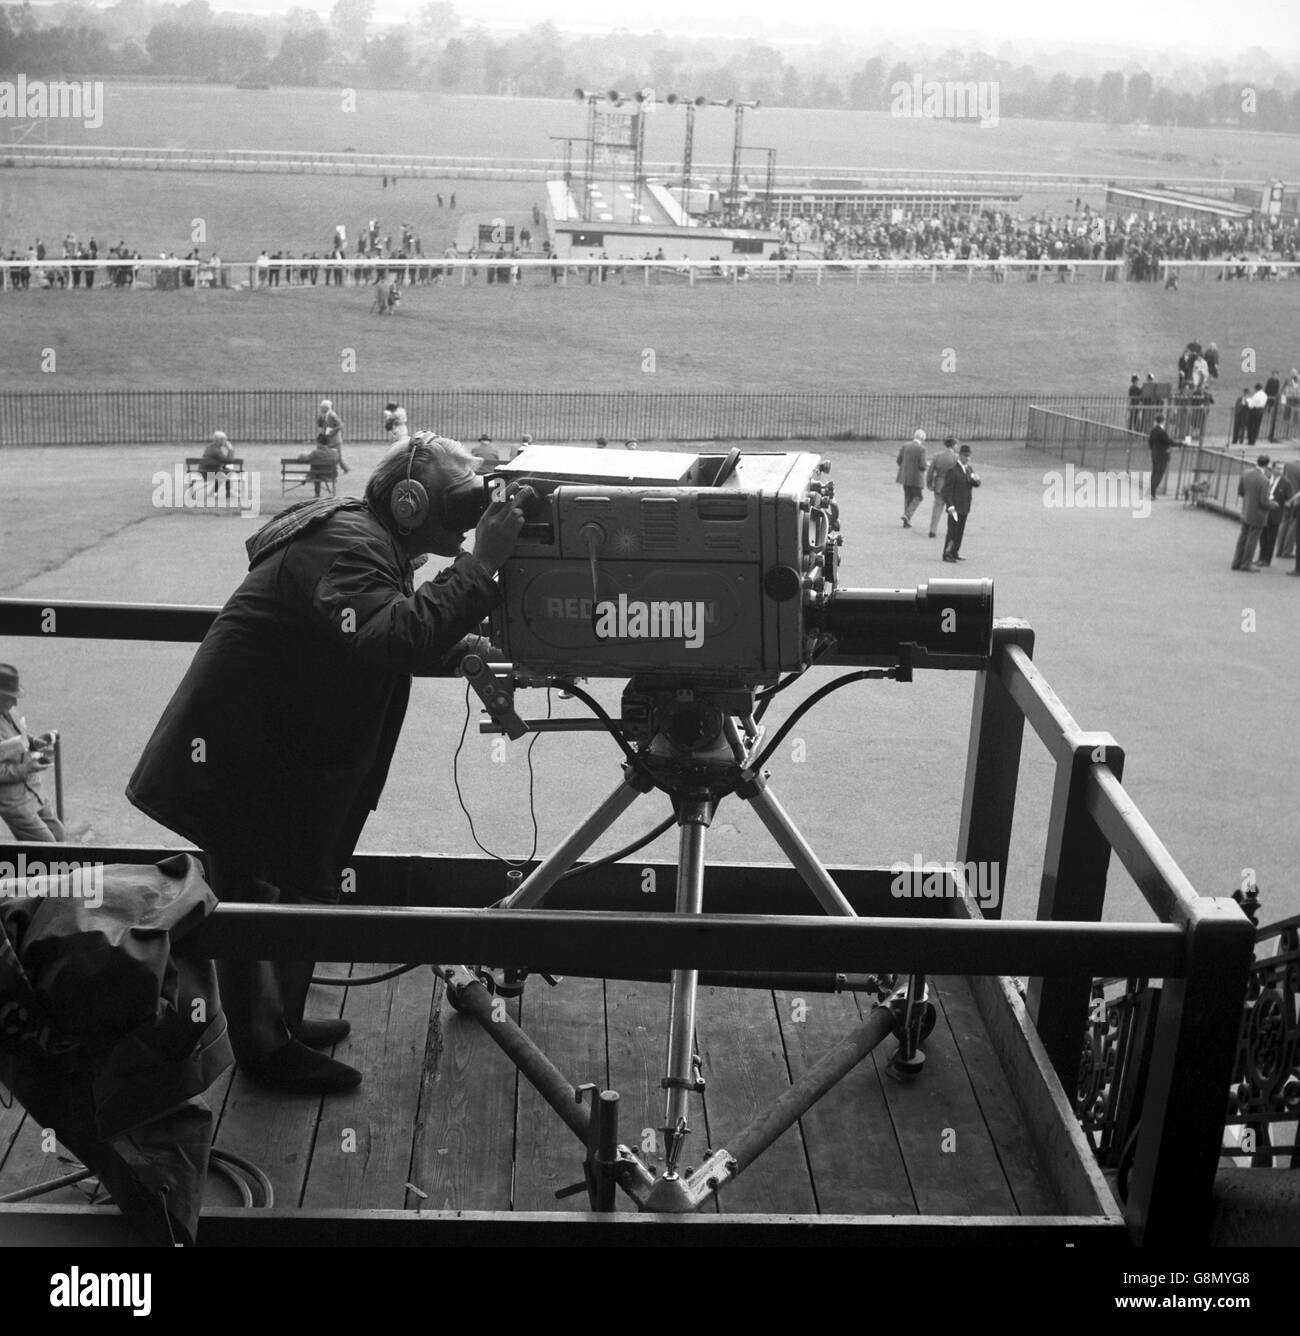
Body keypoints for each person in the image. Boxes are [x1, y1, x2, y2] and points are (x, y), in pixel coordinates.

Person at [126, 435, 527, 1094]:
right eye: (459, 500)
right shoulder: (347, 546)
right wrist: (481, 564)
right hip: (239, 757)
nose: (468, 516)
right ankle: (262, 1049)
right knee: (255, 893)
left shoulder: (369, 540)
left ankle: (277, 1024)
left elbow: (375, 636)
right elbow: (388, 635)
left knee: (288, 885)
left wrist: (458, 644)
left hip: (267, 753)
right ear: (409, 498)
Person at [0, 664, 64, 842]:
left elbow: (16, 737)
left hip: (33, 791)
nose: (15, 703)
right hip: (14, 802)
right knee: (46, 847)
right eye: (9, 697)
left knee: (60, 836)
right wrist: (26, 768)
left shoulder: (7, 710)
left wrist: (33, 742)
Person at [1231, 455, 1279, 572]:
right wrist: (1273, 504)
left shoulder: (1246, 473)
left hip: (1246, 510)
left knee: (1243, 537)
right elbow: (1264, 501)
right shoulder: (1264, 480)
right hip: (1258, 514)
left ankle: (1236, 561)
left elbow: (1240, 492)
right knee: (1252, 540)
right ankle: (1246, 564)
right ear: (1267, 465)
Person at [941, 444, 980, 562]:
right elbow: (946, 491)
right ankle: (947, 553)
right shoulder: (953, 470)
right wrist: (950, 506)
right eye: (965, 456)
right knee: (952, 531)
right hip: (955, 507)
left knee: (960, 531)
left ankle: (955, 551)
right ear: (960, 456)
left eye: (969, 456)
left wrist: (977, 481)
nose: (967, 458)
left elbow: (974, 484)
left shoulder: (969, 469)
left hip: (965, 505)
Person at [1257, 463, 1290, 567]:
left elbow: (1289, 498)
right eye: (1278, 468)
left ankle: (1267, 560)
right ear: (1273, 468)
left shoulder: (1286, 483)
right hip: (1264, 512)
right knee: (1262, 536)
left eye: (1282, 469)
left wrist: (1287, 503)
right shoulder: (1267, 478)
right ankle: (1260, 557)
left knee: (1271, 538)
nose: (1280, 471)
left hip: (1275, 514)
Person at [925, 436, 958, 538]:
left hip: (939, 484)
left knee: (937, 508)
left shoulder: (937, 455)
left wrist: (929, 483)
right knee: (952, 509)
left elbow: (930, 471)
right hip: (952, 486)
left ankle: (933, 530)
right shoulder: (956, 458)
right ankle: (952, 531)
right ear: (953, 445)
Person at [895, 429, 928, 528]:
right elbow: (922, 466)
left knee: (908, 497)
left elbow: (899, 460)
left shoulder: (905, 446)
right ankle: (907, 515)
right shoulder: (922, 449)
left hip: (905, 476)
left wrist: (905, 468)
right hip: (916, 478)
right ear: (922, 439)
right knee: (918, 497)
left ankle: (906, 521)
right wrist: (927, 466)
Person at [198, 430, 236, 501]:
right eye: (224, 440)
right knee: (228, 473)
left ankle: (213, 493)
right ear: (219, 441)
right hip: (209, 474)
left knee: (225, 472)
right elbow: (229, 460)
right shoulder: (216, 451)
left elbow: (219, 461)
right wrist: (230, 449)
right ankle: (225, 493)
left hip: (204, 472)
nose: (226, 441)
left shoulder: (210, 447)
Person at [316, 398, 350, 474]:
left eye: (322, 407)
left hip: (335, 440)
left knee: (336, 456)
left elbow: (341, 425)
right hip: (329, 439)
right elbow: (320, 424)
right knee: (334, 456)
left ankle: (342, 469)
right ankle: (344, 468)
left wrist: (332, 431)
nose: (321, 408)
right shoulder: (323, 415)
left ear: (327, 408)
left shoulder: (332, 415)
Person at [1148, 414, 1175, 498]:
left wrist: (1153, 450)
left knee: (1155, 472)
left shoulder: (1153, 430)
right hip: (1162, 456)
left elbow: (1150, 442)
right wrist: (1182, 443)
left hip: (1155, 454)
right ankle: (1152, 492)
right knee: (1159, 474)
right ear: (1163, 421)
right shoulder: (1162, 432)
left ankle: (1151, 492)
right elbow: (1169, 441)